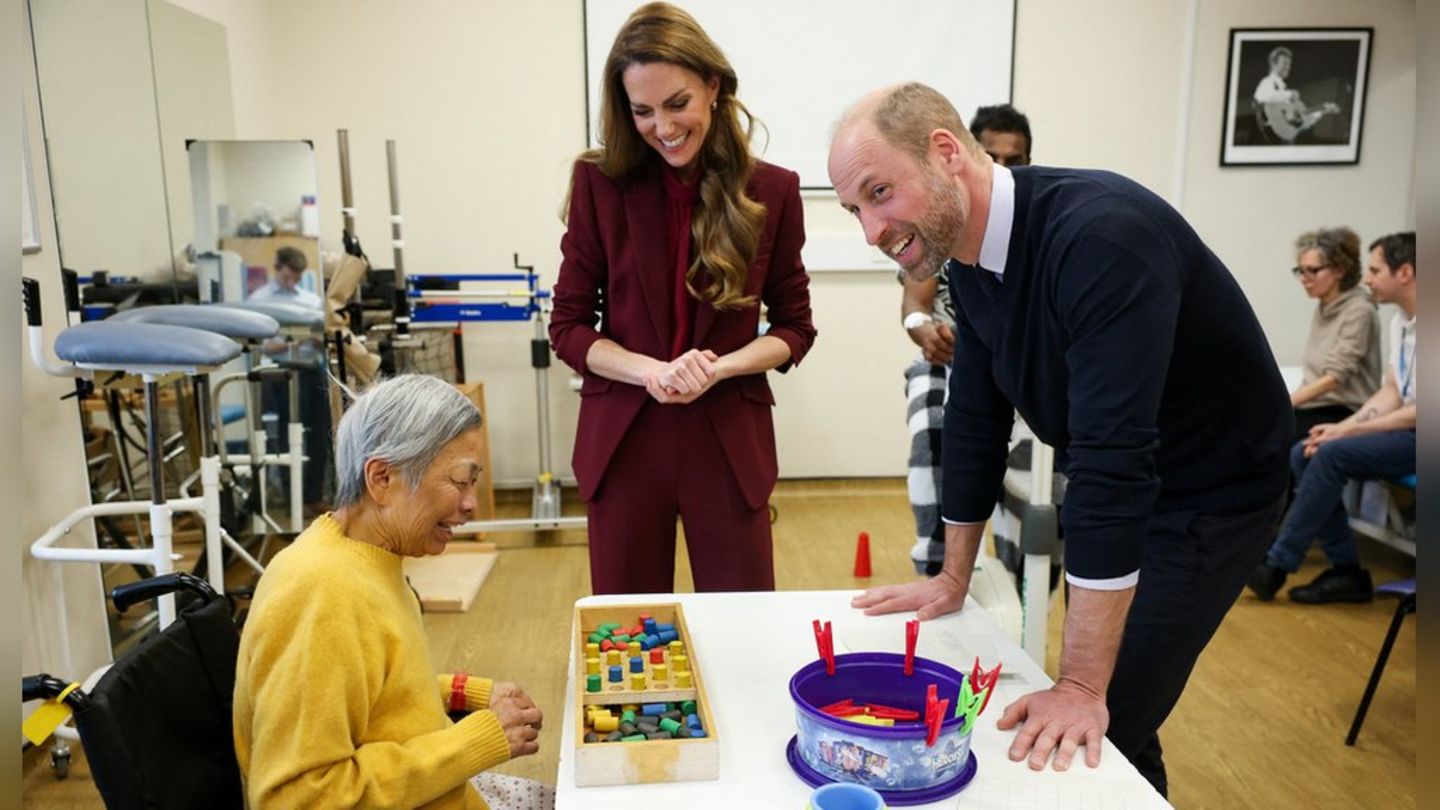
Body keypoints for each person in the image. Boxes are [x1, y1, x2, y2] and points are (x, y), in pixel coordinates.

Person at [830, 83, 1291, 797]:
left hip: (1212, 498)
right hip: (1131, 486)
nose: (870, 230)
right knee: (1110, 722)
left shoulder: (1101, 237)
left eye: (879, 192)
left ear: (946, 153)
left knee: (1101, 718)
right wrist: (954, 575)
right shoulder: (973, 258)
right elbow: (977, 419)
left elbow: (1113, 461)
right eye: (855, 209)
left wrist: (1078, 682)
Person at [550, 2, 816, 594]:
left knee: (743, 629)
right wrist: (651, 371)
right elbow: (567, 326)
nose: (663, 127)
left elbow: (795, 328)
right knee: (624, 633)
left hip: (726, 443)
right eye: (641, 111)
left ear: (713, 86)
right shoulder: (598, 185)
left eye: (677, 104)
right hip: (623, 440)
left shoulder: (773, 189)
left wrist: (717, 367)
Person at [234, 374, 549, 809]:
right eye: (460, 481)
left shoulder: (362, 558)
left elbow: (379, 694)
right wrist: (475, 741)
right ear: (382, 478)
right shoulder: (321, 593)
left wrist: (463, 693)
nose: (471, 504)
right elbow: (296, 797)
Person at [1249, 232, 1416, 604]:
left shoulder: (1365, 310)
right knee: (1304, 452)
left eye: (1375, 270)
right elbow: (1391, 392)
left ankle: (1276, 563)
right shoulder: (1402, 322)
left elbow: (1417, 410)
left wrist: (1347, 429)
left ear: (1405, 272)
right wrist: (1341, 430)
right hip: (1394, 425)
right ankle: (1346, 570)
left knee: (1326, 452)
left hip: (1412, 431)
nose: (1368, 279)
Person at [901, 103, 1033, 575]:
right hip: (946, 365)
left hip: (1022, 375)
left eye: (1013, 160)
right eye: (990, 155)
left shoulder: (1035, 233)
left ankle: (1025, 588)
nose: (1000, 168)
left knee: (1037, 481)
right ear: (964, 156)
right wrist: (923, 331)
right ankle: (938, 568)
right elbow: (914, 307)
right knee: (932, 429)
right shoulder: (939, 227)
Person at [250, 246, 332, 516]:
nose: (292, 281)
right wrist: (292, 339)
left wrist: (317, 339)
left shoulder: (311, 300)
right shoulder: (259, 300)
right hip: (280, 372)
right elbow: (261, 346)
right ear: (277, 267)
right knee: (285, 436)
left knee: (320, 434)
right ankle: (291, 500)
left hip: (311, 369)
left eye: (296, 277)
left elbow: (324, 337)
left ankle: (314, 497)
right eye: (288, 276)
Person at [1287, 227, 1382, 441]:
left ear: (1340, 270)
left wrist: (1287, 402)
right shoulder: (1324, 305)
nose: (1304, 278)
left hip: (1343, 410)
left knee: (1272, 439)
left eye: (1312, 270)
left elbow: (1335, 378)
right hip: (1315, 406)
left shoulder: (1359, 310)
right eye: (1300, 271)